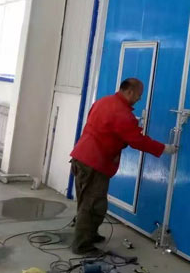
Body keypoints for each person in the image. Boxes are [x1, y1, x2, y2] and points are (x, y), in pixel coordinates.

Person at [69, 77, 177, 255]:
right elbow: (137, 140)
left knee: (89, 202)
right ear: (129, 92)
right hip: (94, 162)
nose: (139, 98)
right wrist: (165, 148)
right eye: (139, 95)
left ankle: (89, 235)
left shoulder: (103, 102)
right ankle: (81, 245)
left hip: (83, 158)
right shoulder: (122, 113)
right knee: (92, 204)